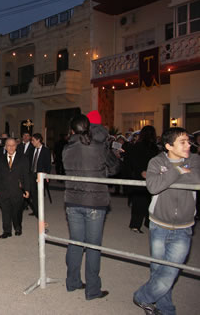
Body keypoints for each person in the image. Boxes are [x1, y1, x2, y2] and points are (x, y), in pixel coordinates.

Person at [132, 127, 199, 315]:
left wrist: (167, 177)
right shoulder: (157, 161)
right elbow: (153, 187)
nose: (188, 145)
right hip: (159, 223)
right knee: (158, 270)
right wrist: (178, 170)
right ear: (169, 145)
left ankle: (142, 297)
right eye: (183, 142)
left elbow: (196, 179)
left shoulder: (195, 160)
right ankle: (165, 309)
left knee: (170, 272)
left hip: (184, 226)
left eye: (188, 141)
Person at [62, 114, 120, 300]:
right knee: (93, 245)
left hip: (72, 200)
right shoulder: (98, 146)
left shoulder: (66, 148)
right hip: (94, 201)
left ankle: (72, 282)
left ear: (72, 130)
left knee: (76, 242)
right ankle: (92, 290)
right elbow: (114, 168)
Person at [124, 125, 159, 233]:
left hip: (138, 176)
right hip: (150, 176)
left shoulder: (136, 146)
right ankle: (148, 223)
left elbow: (130, 161)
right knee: (150, 201)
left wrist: (139, 171)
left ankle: (135, 224)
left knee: (138, 201)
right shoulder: (155, 148)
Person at [0, 138, 30, 239]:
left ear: (16, 146)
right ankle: (7, 231)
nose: (11, 147)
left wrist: (27, 189)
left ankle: (18, 227)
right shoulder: (0, 159)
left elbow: (26, 175)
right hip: (4, 189)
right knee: (5, 211)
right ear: (5, 147)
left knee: (17, 211)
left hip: (17, 190)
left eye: (13, 145)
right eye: (8, 145)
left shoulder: (23, 158)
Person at [28, 133, 52, 218]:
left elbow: (48, 164)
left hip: (40, 175)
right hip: (31, 174)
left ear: (38, 140)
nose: (32, 142)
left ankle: (39, 212)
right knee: (32, 193)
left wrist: (47, 175)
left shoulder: (46, 151)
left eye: (33, 140)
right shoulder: (31, 150)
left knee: (39, 194)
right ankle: (35, 210)